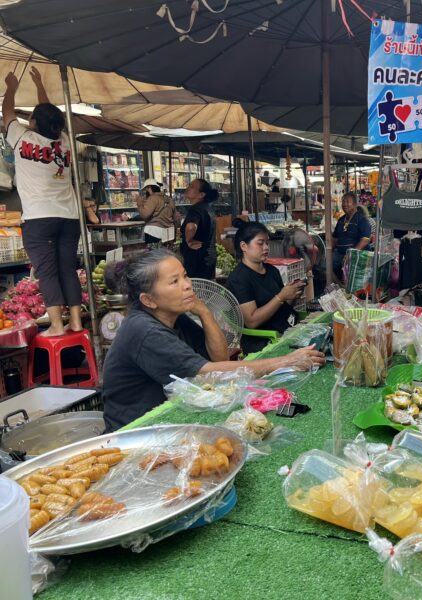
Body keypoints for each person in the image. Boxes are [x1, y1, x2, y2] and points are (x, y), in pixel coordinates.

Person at [102, 249, 324, 431]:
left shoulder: (173, 317)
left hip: (167, 419)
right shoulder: (144, 331)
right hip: (136, 431)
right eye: (174, 281)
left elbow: (219, 358)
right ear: (148, 300)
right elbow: (208, 372)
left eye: (185, 276)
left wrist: (204, 312)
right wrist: (285, 362)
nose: (187, 284)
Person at [3, 67, 83, 337]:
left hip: (39, 219)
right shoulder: (65, 142)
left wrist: (11, 88)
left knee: (47, 273)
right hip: (69, 219)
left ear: (34, 122)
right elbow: (49, 114)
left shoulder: (22, 137)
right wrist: (39, 85)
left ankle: (57, 326)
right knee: (68, 270)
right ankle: (75, 322)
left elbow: (8, 113)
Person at [226, 222, 305, 355]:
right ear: (244, 246)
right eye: (260, 243)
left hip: (290, 328)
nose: (266, 247)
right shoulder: (239, 279)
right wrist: (281, 296)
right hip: (266, 341)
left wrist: (292, 294)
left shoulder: (272, 270)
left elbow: (282, 305)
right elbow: (251, 321)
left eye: (267, 243)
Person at [180, 178, 218, 279]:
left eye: (192, 186)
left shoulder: (196, 209)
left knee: (196, 290)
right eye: (189, 185)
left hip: (196, 260)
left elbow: (191, 227)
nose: (188, 188)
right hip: (207, 258)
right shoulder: (207, 208)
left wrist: (189, 240)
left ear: (201, 195)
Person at [332, 191, 371, 280]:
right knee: (324, 263)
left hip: (357, 254)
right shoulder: (341, 220)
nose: (344, 204)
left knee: (349, 264)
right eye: (343, 202)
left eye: (347, 202)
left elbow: (365, 240)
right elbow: (335, 238)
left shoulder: (361, 219)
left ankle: (345, 287)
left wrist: (352, 253)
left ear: (354, 204)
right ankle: (337, 286)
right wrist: (329, 250)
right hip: (340, 253)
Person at [137, 179, 177, 246]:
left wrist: (140, 204)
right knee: (166, 254)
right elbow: (175, 217)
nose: (146, 192)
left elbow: (144, 215)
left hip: (154, 232)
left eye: (146, 189)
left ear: (149, 187)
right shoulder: (169, 199)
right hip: (168, 233)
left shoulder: (153, 198)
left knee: (155, 255)